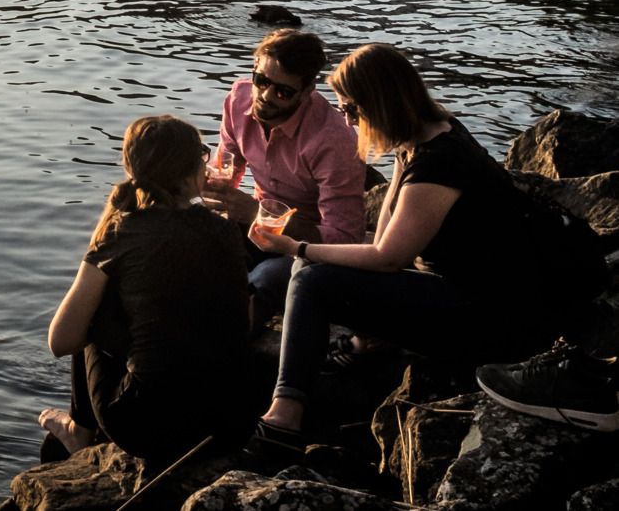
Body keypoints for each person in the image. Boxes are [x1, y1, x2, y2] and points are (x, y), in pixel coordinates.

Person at [245, 45, 604, 463]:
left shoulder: (440, 163)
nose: (346, 120)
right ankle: (364, 344)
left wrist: (298, 246)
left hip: (491, 316)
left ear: (379, 103)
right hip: (473, 291)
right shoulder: (428, 133)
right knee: (320, 267)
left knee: (310, 277)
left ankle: (283, 419)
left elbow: (388, 258)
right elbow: (385, 233)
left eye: (352, 110)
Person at [41, 115, 256, 468]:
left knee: (95, 305)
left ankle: (80, 429)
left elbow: (60, 341)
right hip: (229, 419)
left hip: (147, 427)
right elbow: (242, 320)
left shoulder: (121, 233)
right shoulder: (226, 230)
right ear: (192, 171)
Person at [202, 30, 363, 328]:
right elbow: (228, 170)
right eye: (261, 81)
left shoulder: (333, 140)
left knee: (263, 281)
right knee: (189, 247)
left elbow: (345, 238)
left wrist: (254, 213)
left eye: (283, 92)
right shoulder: (238, 100)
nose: (265, 96)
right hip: (257, 227)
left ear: (307, 91)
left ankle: (223, 348)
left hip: (304, 245)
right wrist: (209, 187)